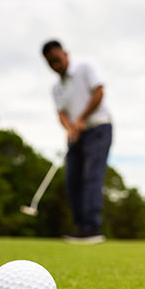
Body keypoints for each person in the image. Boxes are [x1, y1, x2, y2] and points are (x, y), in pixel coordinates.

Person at [42, 40, 112, 243]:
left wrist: (81, 119)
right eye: (51, 63)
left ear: (66, 54)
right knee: (72, 179)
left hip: (99, 127)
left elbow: (99, 92)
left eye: (57, 60)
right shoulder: (56, 88)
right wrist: (70, 128)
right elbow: (61, 113)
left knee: (91, 176)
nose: (56, 66)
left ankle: (92, 228)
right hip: (76, 134)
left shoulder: (85, 68)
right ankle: (81, 226)